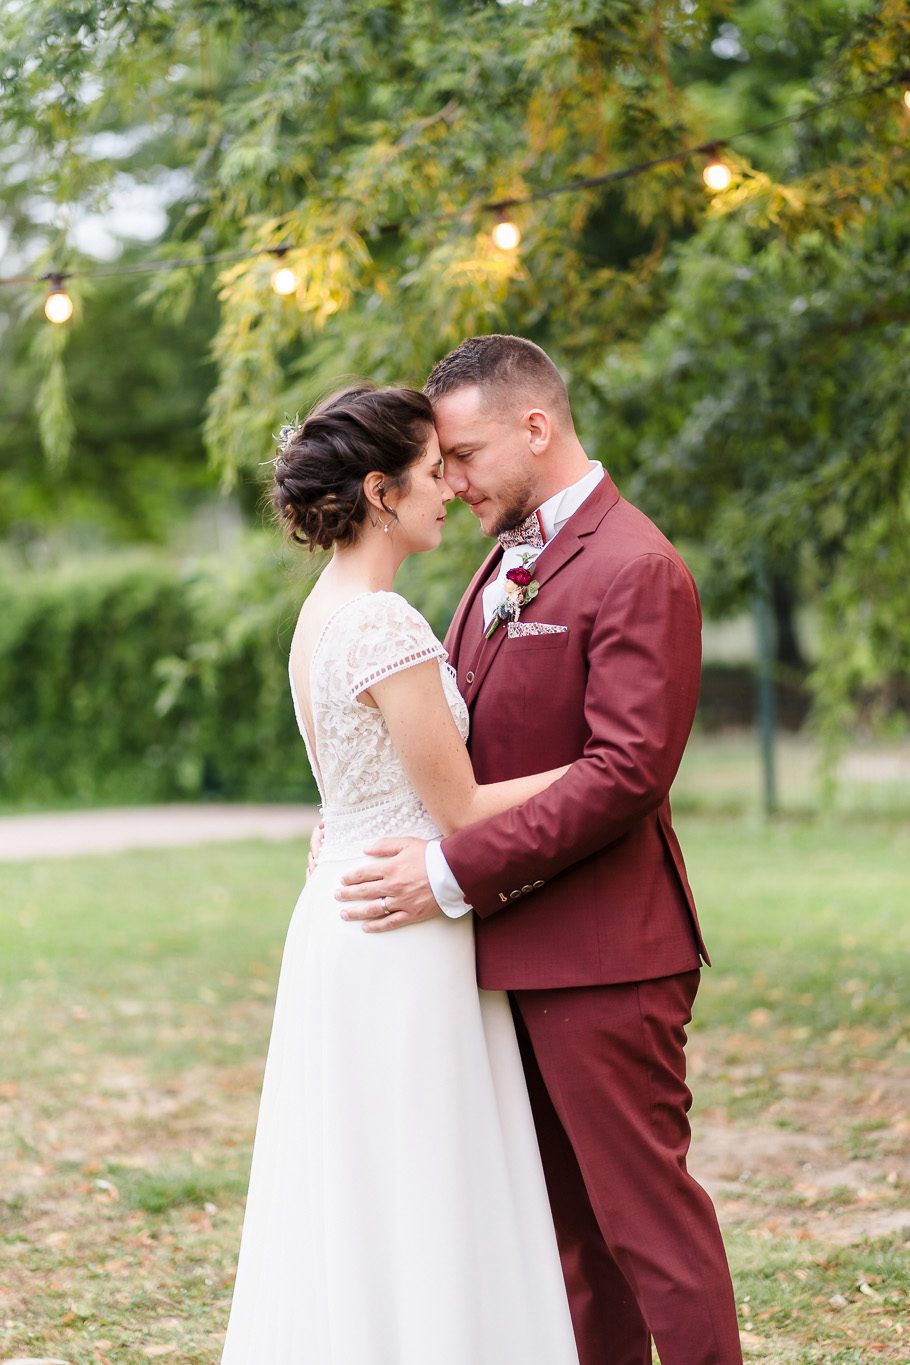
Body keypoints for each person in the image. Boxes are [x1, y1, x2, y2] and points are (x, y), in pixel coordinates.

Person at [335, 336, 744, 1365]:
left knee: (647, 1229)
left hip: (606, 957)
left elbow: (627, 772)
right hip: (508, 955)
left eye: (463, 455)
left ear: (536, 426)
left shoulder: (636, 565)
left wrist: (445, 876)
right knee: (565, 1243)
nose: (451, 479)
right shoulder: (497, 558)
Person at [220, 384, 580, 1364]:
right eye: (431, 474)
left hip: (344, 906)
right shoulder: (383, 624)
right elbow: (457, 807)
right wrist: (598, 772)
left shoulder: (321, 613)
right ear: (380, 492)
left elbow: (351, 784)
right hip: (400, 922)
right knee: (425, 1174)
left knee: (359, 1179)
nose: (449, 489)